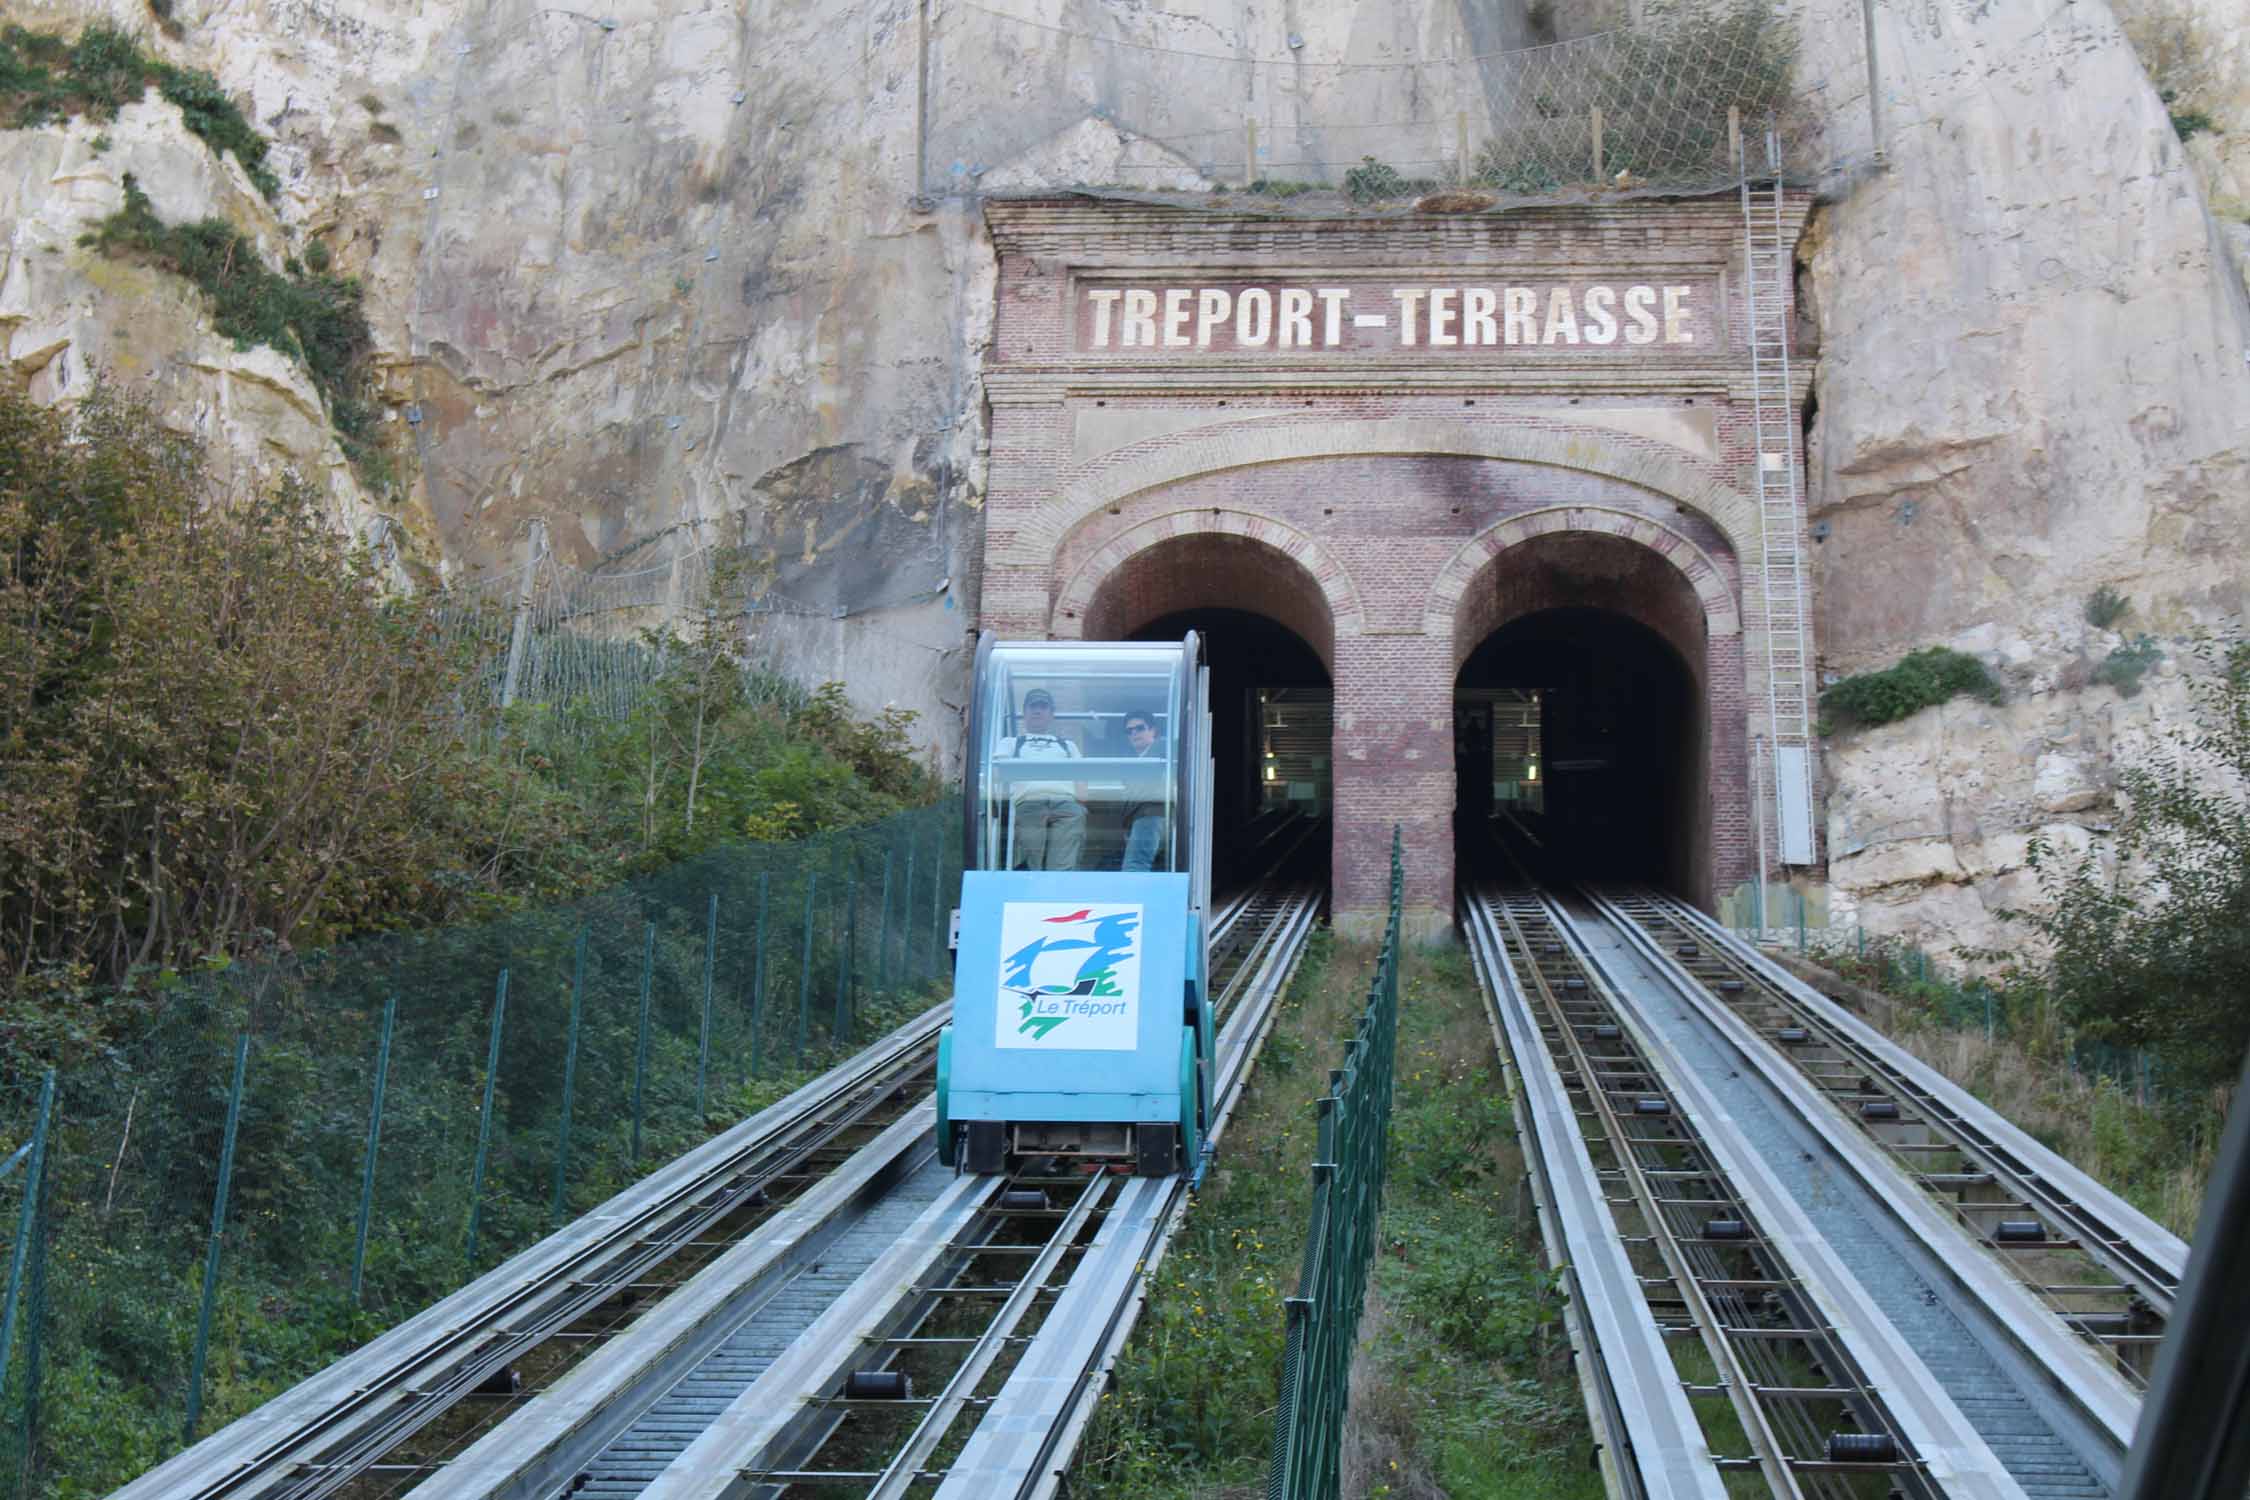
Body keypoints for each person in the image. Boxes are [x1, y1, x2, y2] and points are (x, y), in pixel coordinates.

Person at [993, 688, 1085, 869]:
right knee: (1031, 862)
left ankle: (1057, 894)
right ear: (1024, 713)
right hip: (1029, 803)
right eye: (1032, 706)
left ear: (1051, 714)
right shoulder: (1011, 743)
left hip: (1066, 803)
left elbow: (1082, 778)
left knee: (1062, 865)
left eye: (1043, 706)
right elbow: (997, 773)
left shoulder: (1067, 745)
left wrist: (1081, 805)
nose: (1037, 710)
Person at [1120, 711, 1166, 872]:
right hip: (1143, 818)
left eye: (1140, 728)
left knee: (1134, 867)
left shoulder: (1162, 748)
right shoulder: (1136, 761)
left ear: (1153, 730)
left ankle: (1130, 898)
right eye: (1129, 731)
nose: (1134, 733)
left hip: (1152, 815)